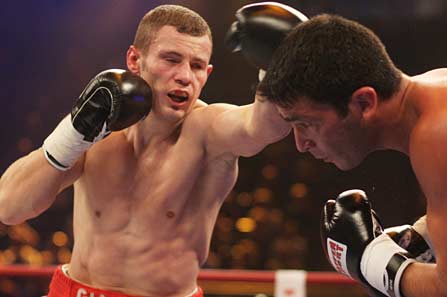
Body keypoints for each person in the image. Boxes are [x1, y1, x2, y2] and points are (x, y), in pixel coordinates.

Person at [0, 3, 308, 297]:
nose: (186, 76)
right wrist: (73, 133)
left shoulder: (208, 131)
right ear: (135, 61)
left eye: (197, 66)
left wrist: (277, 66)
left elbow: (263, 126)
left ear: (208, 74)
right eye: (172, 60)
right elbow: (10, 207)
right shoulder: (97, 125)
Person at [258, 13, 447, 297]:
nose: (301, 143)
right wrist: (418, 240)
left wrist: (371, 259)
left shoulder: (443, 134)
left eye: (306, 124)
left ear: (364, 102)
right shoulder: (443, 91)